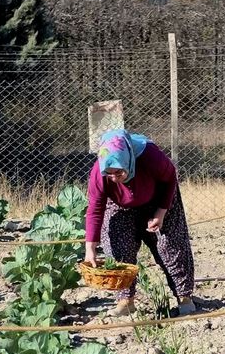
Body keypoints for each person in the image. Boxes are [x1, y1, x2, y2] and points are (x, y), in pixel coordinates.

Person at [84, 129, 196, 317]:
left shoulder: (150, 157)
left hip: (159, 197)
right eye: (108, 174)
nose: (113, 177)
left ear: (127, 161)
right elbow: (95, 209)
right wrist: (90, 249)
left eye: (118, 172)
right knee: (118, 245)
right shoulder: (99, 172)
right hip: (120, 204)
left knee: (169, 245)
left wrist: (160, 213)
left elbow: (170, 179)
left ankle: (184, 298)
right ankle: (125, 301)